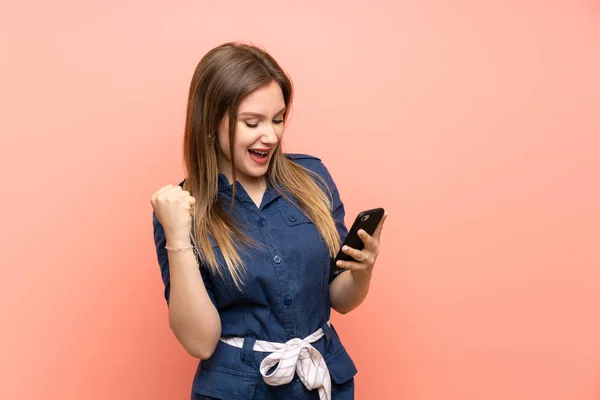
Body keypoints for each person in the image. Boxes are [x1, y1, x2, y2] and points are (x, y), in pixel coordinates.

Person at [150, 42, 388, 400]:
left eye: (277, 119)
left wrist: (363, 270)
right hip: (238, 389)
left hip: (321, 380)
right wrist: (179, 236)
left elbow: (341, 299)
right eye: (252, 122)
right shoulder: (183, 208)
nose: (271, 136)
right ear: (211, 122)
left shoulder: (313, 178)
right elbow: (199, 341)